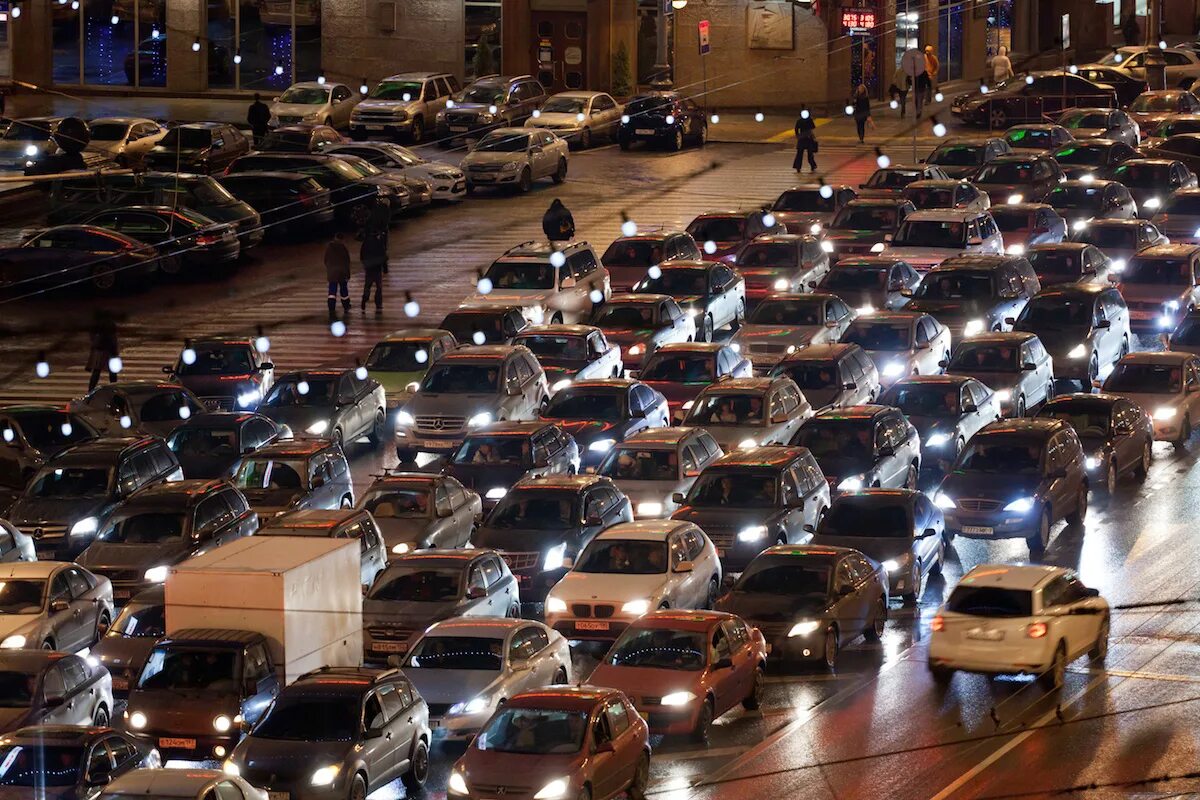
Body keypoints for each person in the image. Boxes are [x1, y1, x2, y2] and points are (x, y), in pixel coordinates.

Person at [86, 312, 120, 392]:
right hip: (107, 350)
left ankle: (91, 390)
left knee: (97, 371)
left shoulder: (97, 324)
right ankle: (114, 389)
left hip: (100, 350)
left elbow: (93, 336)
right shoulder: (109, 324)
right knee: (110, 372)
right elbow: (113, 338)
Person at [324, 232, 351, 318]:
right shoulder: (343, 248)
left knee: (332, 290)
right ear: (342, 239)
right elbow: (347, 261)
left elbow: (325, 260)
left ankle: (331, 307)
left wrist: (329, 268)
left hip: (332, 272)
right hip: (342, 272)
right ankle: (346, 306)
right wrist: (348, 273)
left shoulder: (329, 247)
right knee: (344, 290)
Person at [360, 230, 388, 313]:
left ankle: (364, 300)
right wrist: (385, 268)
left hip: (369, 269)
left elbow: (362, 256)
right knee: (378, 288)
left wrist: (365, 265)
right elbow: (383, 255)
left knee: (367, 286)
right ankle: (378, 304)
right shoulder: (379, 243)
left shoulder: (365, 244)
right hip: (377, 269)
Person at [793, 105, 818, 172]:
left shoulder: (800, 121)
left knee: (800, 153)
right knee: (809, 153)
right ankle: (812, 165)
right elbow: (811, 129)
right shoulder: (809, 120)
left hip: (802, 138)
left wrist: (798, 136)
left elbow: (796, 129)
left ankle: (799, 166)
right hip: (807, 138)